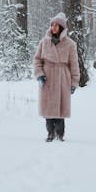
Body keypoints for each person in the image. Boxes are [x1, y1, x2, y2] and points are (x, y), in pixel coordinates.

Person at [33, 12, 80, 142]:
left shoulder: (70, 44)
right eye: (52, 24)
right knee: (48, 109)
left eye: (56, 25)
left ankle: (60, 134)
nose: (53, 27)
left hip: (62, 77)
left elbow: (74, 64)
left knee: (60, 109)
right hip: (47, 77)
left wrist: (74, 82)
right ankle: (50, 133)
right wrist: (40, 75)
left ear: (62, 28)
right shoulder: (44, 42)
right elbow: (37, 60)